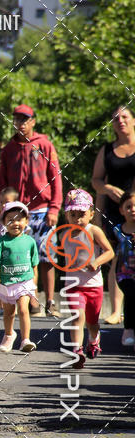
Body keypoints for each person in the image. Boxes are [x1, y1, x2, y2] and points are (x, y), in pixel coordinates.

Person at [0, 104, 62, 317]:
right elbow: (2, 183)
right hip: (18, 211)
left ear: (33, 121)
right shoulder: (9, 150)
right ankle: (31, 302)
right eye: (17, 120)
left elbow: (55, 178)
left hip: (43, 210)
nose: (21, 124)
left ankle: (50, 301)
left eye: (25, 120)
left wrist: (55, 207)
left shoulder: (44, 145)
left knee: (46, 256)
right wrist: (3, 208)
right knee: (22, 258)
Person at [60, 189, 114, 367]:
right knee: (77, 316)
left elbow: (109, 252)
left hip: (93, 285)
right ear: (66, 215)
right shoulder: (62, 234)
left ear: (91, 213)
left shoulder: (94, 231)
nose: (77, 219)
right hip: (73, 284)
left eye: (82, 214)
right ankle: (77, 351)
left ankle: (93, 340)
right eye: (72, 214)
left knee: (92, 322)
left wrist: (96, 262)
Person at [91, 105, 135, 325]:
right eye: (116, 118)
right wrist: (107, 189)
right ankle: (117, 311)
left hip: (134, 209)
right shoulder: (107, 149)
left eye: (125, 116)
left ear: (133, 120)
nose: (121, 121)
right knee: (119, 257)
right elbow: (96, 180)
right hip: (115, 213)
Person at [0, 201, 39, 353]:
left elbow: (34, 264)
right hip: (6, 282)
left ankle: (25, 340)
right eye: (10, 219)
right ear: (3, 222)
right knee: (9, 312)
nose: (15, 223)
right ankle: (9, 335)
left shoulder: (30, 241)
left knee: (23, 309)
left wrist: (35, 286)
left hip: (25, 282)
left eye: (19, 219)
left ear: (26, 221)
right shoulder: (0, 242)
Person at [115, 190, 135, 349]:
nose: (132, 209)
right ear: (121, 210)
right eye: (128, 207)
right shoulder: (117, 230)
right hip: (124, 274)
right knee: (130, 295)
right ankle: (128, 329)